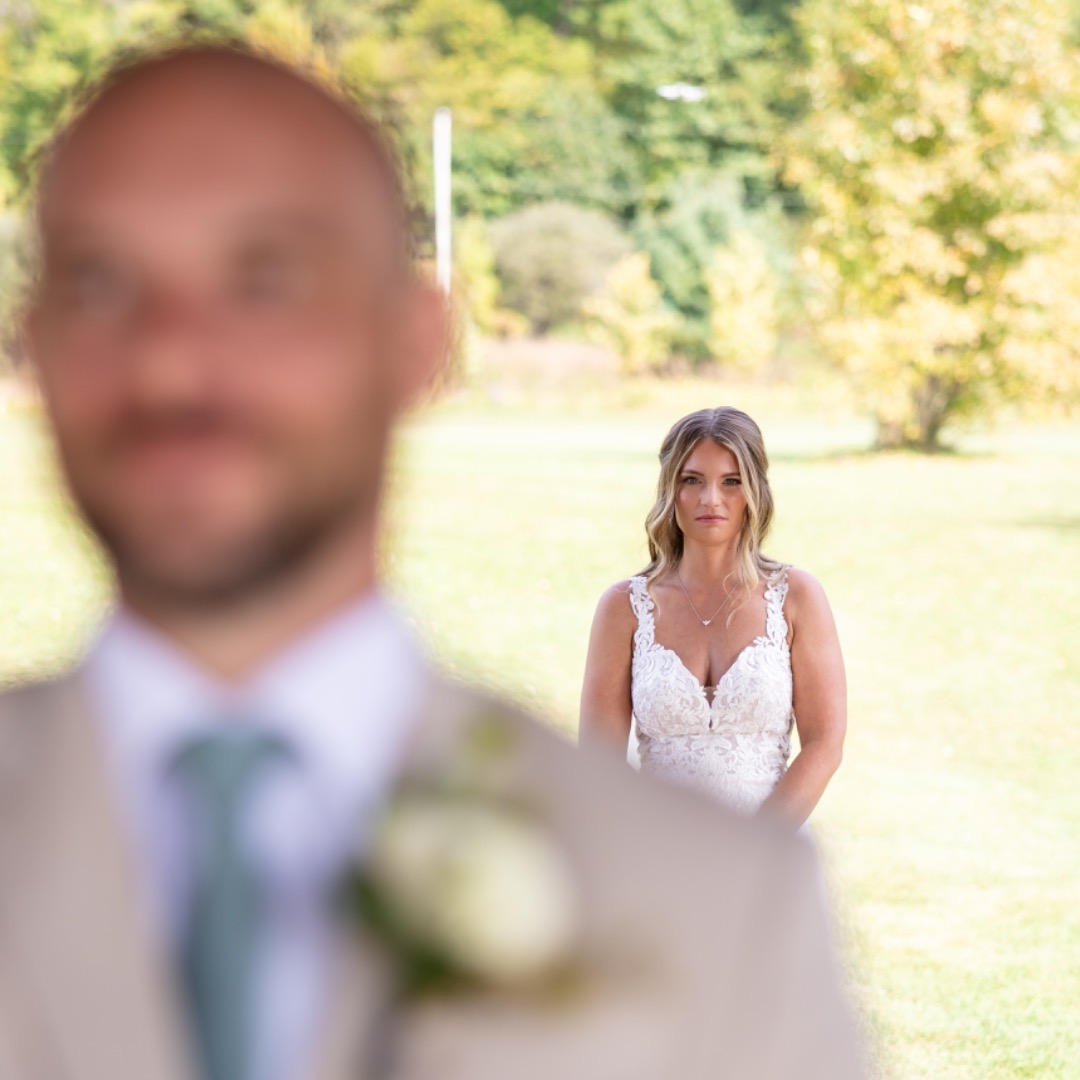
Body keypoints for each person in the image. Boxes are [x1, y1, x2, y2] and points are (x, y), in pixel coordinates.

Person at [0, 43, 864, 1080]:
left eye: (266, 276)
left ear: (415, 343)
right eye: (102, 281)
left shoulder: (722, 909)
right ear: (34, 340)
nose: (174, 354)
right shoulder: (627, 611)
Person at [580, 407, 847, 827]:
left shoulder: (796, 598)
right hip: (657, 852)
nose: (711, 500)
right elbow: (599, 764)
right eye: (692, 481)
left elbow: (825, 744)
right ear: (671, 488)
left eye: (731, 482)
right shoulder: (624, 607)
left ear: (755, 490)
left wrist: (754, 848)